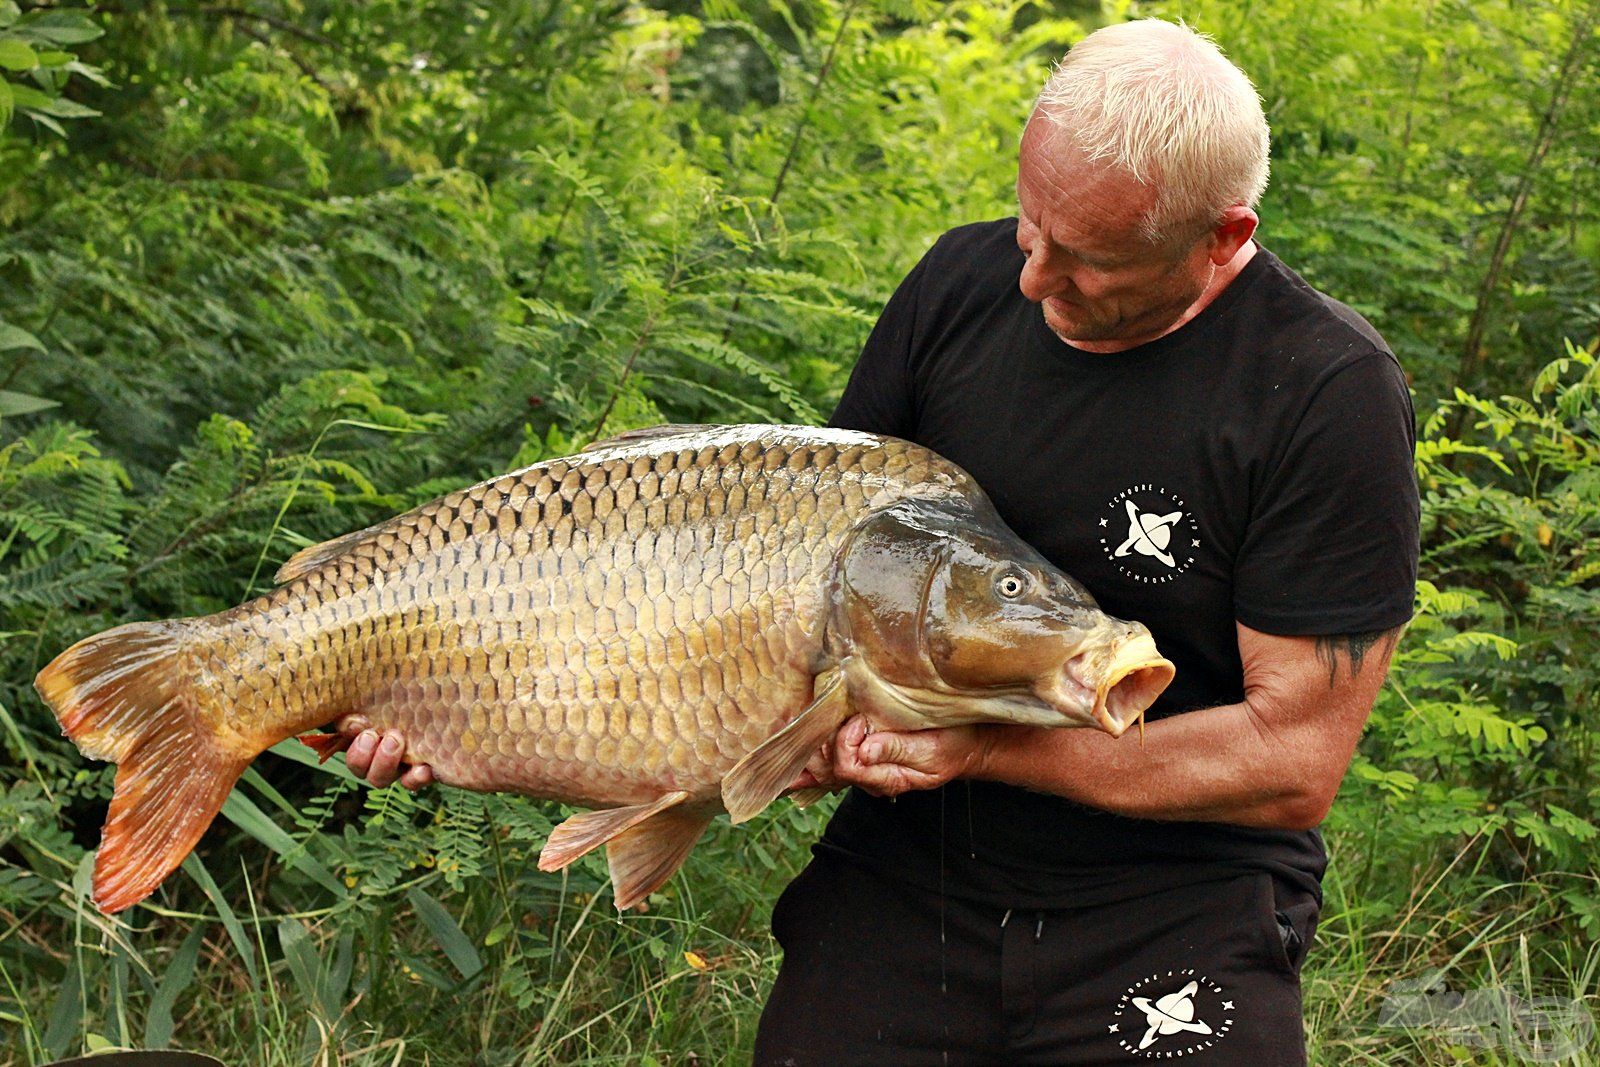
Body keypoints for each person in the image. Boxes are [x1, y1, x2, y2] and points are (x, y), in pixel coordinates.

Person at [341, 19, 1419, 1065]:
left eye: (1088, 261)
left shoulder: (1321, 394)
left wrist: (986, 749)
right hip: (912, 864)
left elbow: (1291, 760)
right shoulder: (962, 281)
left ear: (1224, 237)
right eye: (1028, 224)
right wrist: (470, 697)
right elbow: (821, 560)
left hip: (1171, 898)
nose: (1034, 280)